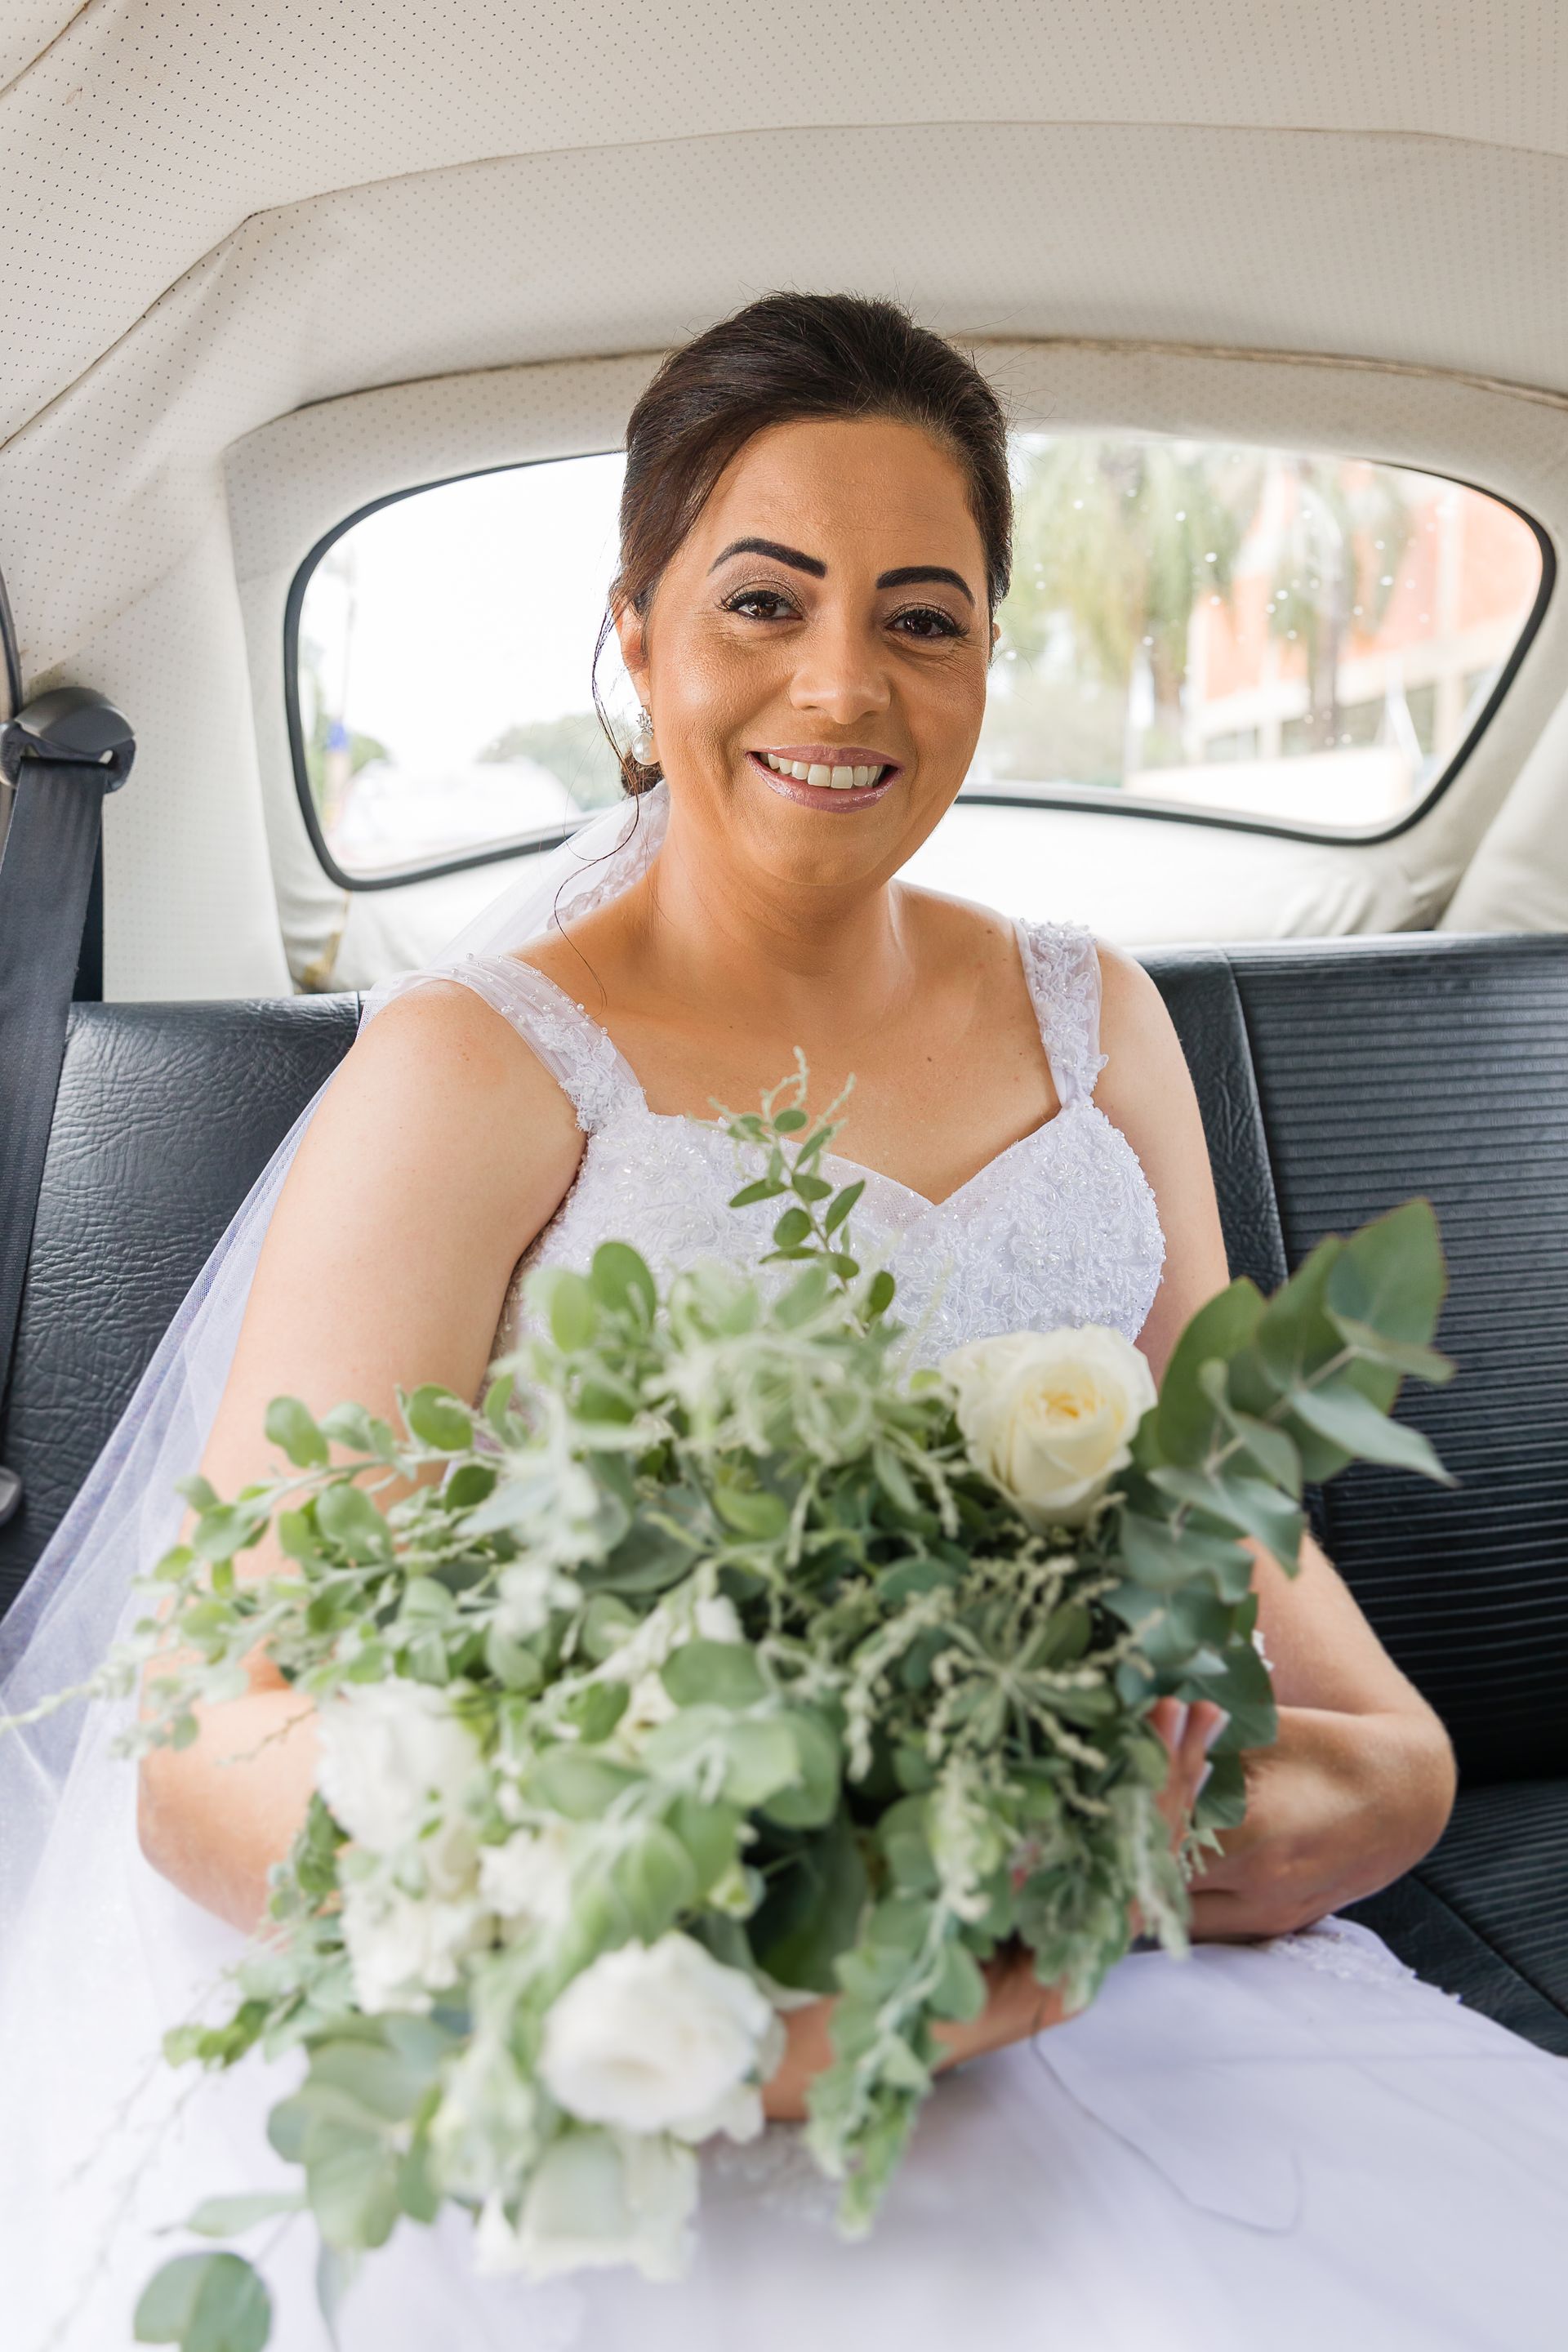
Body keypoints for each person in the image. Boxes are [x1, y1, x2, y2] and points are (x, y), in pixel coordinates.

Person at [2, 293, 1564, 2351]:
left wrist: (1157, 1837)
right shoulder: (474, 1071)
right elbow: (215, 1745)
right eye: (763, 600)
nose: (844, 682)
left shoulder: (1109, 1031)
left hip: (1112, 1982)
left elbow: (1350, 1700)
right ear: (637, 640)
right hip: (643, 2007)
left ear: (986, 661)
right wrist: (658, 1932)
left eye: (925, 618)